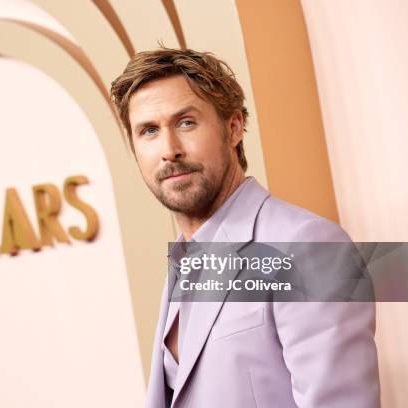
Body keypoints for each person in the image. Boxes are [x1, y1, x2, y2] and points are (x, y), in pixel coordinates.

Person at [110, 48, 380, 408]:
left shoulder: (306, 247)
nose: (168, 149)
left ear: (234, 127)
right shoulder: (185, 259)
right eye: (149, 131)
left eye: (186, 122)